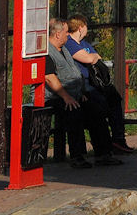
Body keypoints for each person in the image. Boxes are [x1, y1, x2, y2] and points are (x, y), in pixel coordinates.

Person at [44, 18, 121, 168]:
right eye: (66, 32)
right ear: (58, 34)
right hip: (56, 96)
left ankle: (103, 153)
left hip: (76, 93)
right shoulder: (48, 52)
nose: (68, 35)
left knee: (96, 109)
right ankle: (77, 156)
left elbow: (75, 73)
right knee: (75, 112)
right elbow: (49, 78)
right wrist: (66, 97)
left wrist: (82, 92)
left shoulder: (65, 48)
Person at [65, 14, 134, 154]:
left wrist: (93, 57)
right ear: (80, 27)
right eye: (85, 26)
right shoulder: (69, 43)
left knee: (115, 98)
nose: (86, 29)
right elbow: (89, 59)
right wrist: (93, 57)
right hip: (84, 85)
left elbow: (96, 57)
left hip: (95, 83)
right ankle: (106, 146)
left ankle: (118, 139)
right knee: (99, 105)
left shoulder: (84, 43)